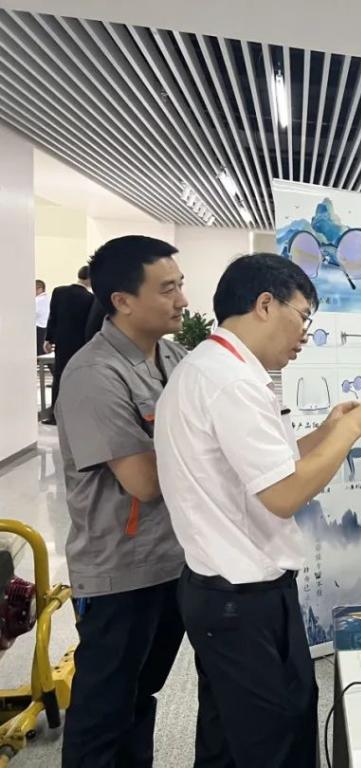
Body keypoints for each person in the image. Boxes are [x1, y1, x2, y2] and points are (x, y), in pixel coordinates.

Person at [155, 254, 361, 766]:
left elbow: (273, 466)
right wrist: (353, 430)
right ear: (265, 305)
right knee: (276, 740)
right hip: (242, 600)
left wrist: (330, 430)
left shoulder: (216, 368)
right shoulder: (232, 383)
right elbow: (284, 494)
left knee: (228, 737)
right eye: (303, 316)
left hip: (222, 591)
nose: (305, 333)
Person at [55, 237, 189, 768]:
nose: (182, 300)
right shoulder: (94, 375)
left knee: (140, 695)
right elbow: (144, 482)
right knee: (103, 710)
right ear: (122, 300)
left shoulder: (175, 358)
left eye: (180, 285)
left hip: (172, 560)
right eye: (168, 288)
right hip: (119, 571)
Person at [42, 265, 94, 424]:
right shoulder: (90, 298)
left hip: (62, 342)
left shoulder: (59, 292)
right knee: (78, 378)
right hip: (81, 345)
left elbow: (53, 317)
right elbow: (89, 325)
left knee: (59, 377)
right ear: (90, 280)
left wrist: (48, 339)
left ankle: (54, 415)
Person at [34, 279, 49, 355]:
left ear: (40, 289)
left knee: (38, 352)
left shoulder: (37, 300)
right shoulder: (47, 299)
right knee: (42, 352)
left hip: (38, 328)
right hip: (45, 328)